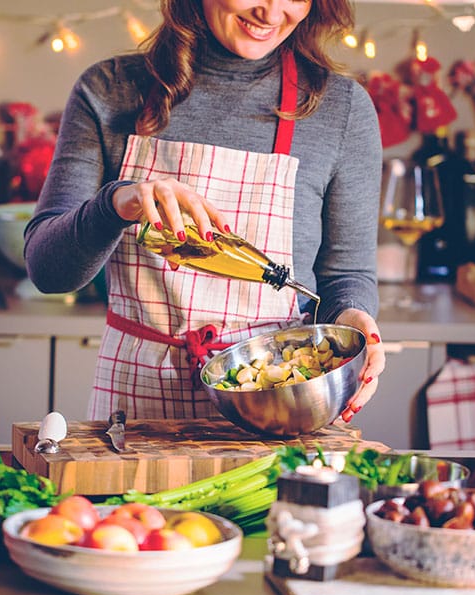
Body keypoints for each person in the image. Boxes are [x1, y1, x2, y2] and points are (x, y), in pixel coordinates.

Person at [25, 0, 385, 424]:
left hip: (279, 404)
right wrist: (118, 204)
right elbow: (48, 272)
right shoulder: (109, 90)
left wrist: (354, 319)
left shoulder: (340, 108)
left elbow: (345, 275)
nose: (271, 13)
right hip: (137, 410)